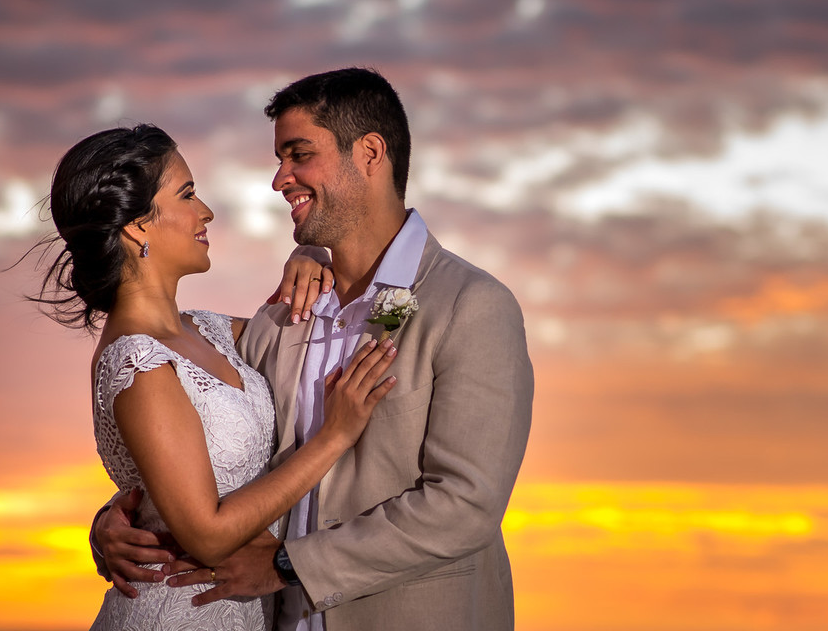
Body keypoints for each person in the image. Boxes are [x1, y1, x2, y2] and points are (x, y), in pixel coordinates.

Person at [96, 68, 535, 630]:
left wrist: (287, 564)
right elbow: (202, 448)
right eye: (280, 159)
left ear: (371, 153)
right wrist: (117, 523)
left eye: (299, 155)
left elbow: (466, 505)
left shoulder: (471, 306)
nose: (280, 179)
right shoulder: (280, 318)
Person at [37, 124, 398, 629]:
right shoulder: (138, 362)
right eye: (186, 194)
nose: (204, 210)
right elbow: (207, 534)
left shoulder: (211, 331)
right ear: (137, 226)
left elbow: (303, 333)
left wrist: (311, 253)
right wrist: (334, 436)